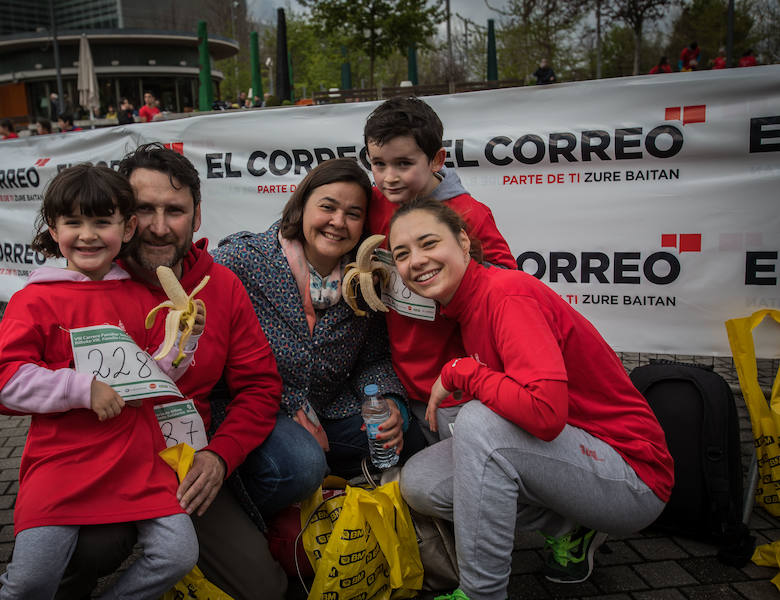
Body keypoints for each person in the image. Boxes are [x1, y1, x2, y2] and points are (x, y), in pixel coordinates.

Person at [0, 143, 316, 600]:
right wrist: (81, 382)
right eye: (144, 209)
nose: (158, 226)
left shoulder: (220, 285)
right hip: (92, 458)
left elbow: (260, 386)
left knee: (262, 586)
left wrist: (220, 456)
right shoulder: (79, 283)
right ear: (125, 215)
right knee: (91, 547)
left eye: (175, 210)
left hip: (179, 459)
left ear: (197, 216)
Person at [387, 199, 673, 600]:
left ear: (464, 242)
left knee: (477, 423)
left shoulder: (506, 294)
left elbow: (545, 414)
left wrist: (460, 371)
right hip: (578, 461)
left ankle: (481, 593)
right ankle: (571, 526)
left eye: (428, 242)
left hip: (634, 478)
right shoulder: (466, 306)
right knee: (421, 484)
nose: (416, 260)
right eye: (402, 254)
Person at [0, 164, 200, 599]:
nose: (88, 234)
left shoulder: (141, 295)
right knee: (30, 583)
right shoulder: (34, 299)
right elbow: (3, 379)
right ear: (53, 228)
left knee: (178, 554)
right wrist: (82, 389)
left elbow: (155, 378)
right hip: (62, 465)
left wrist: (184, 342)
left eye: (102, 221)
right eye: (74, 222)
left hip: (139, 461)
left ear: (127, 226)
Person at [211, 158, 425, 479]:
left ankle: (324, 483)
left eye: (353, 214)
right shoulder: (243, 260)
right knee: (302, 464)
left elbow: (373, 359)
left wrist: (389, 404)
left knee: (407, 437)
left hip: (327, 412)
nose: (338, 222)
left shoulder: (363, 277)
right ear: (301, 206)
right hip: (253, 413)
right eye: (328, 207)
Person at [363, 95, 515, 441]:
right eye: (379, 164)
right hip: (401, 380)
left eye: (403, 163)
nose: (389, 178)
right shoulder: (374, 203)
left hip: (457, 388)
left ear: (436, 159)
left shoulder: (470, 215)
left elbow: (510, 288)